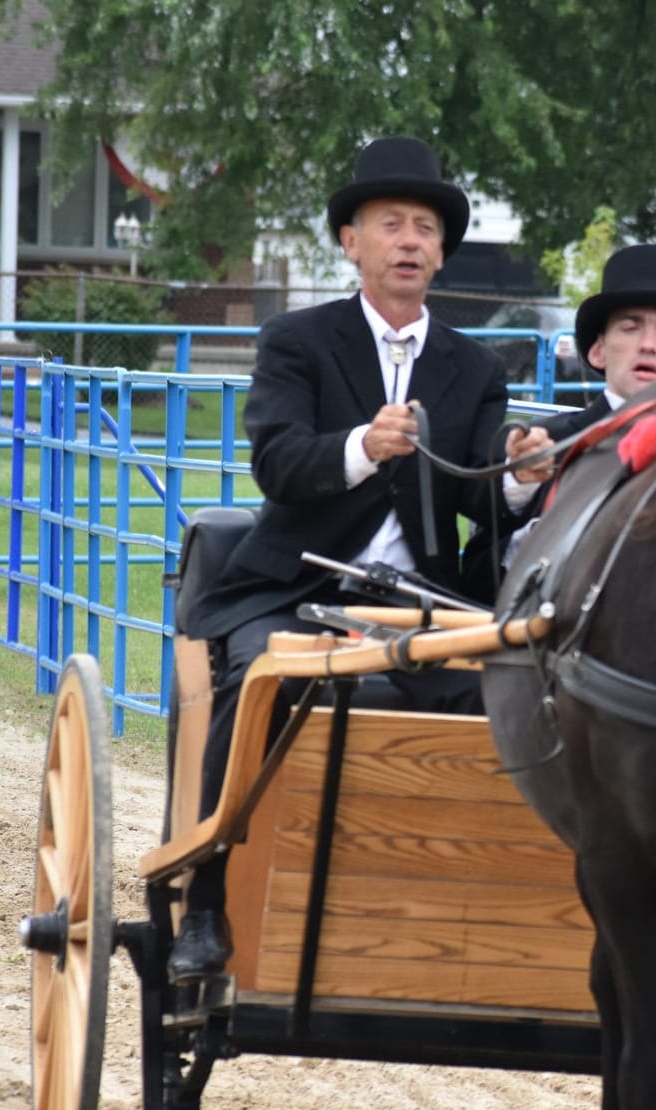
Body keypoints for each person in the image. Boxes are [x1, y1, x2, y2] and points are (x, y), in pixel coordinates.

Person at [169, 136, 510, 985]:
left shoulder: (475, 366)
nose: (409, 242)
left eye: (425, 228)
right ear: (350, 242)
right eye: (389, 224)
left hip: (423, 602)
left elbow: (478, 498)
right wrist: (363, 445)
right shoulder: (297, 341)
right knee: (263, 680)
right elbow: (277, 462)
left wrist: (516, 479)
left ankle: (462, 907)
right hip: (296, 588)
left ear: (442, 250)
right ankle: (205, 901)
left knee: (508, 695)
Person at [464, 243, 656, 595]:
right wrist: (540, 523)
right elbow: (477, 578)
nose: (648, 344)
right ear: (598, 351)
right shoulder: (542, 444)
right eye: (630, 327)